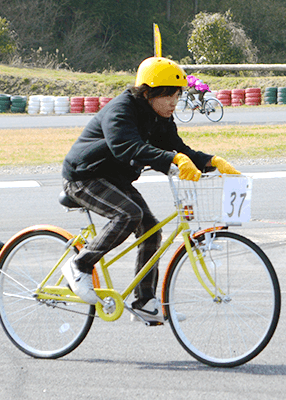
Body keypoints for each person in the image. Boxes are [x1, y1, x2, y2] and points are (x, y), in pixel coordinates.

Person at [61, 57, 240, 324]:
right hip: (84, 177)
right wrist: (171, 160)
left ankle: (144, 301)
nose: (173, 103)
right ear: (147, 93)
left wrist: (210, 161)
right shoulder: (120, 111)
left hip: (114, 179)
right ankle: (80, 264)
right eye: (168, 96)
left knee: (151, 229)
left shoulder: (160, 118)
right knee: (128, 214)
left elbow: (181, 150)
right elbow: (127, 147)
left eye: (177, 96)